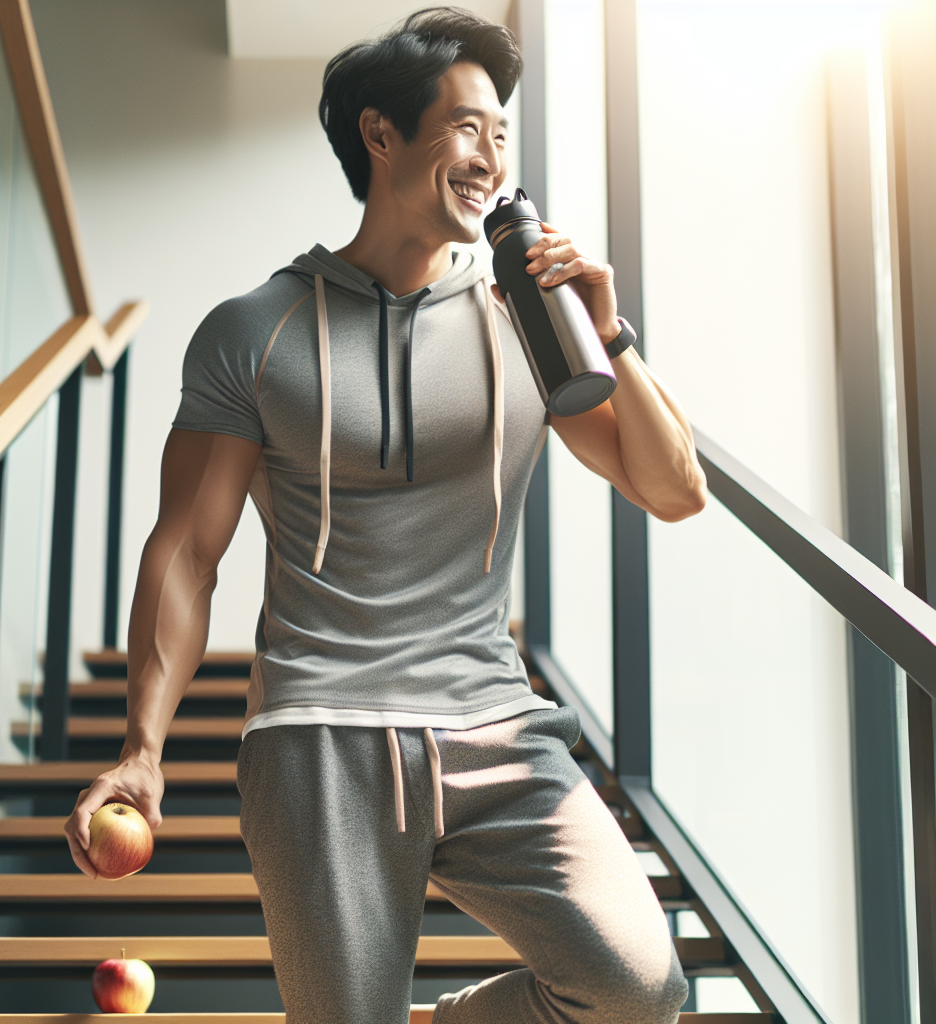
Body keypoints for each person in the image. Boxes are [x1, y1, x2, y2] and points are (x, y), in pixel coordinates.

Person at [65, 7, 706, 1023]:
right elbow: (186, 552)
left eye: (503, 135)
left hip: (496, 725)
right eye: (466, 128)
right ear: (380, 134)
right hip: (318, 736)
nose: (490, 156)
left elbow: (675, 491)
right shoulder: (254, 331)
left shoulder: (527, 324)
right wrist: (142, 744)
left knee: (638, 986)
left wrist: (609, 331)